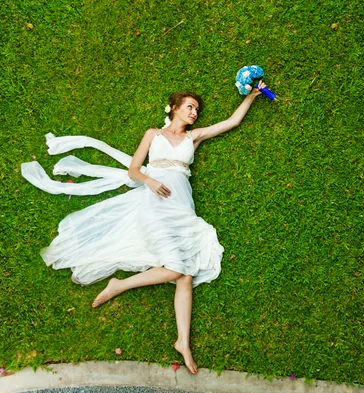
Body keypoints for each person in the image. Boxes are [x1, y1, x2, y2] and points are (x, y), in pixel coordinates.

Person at [21, 81, 267, 375]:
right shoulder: (153, 134)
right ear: (174, 108)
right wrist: (150, 180)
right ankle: (119, 285)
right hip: (154, 206)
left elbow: (231, 122)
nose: (194, 113)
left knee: (185, 275)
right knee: (176, 269)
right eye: (189, 107)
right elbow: (134, 170)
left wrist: (252, 96)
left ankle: (183, 342)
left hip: (182, 209)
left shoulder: (194, 138)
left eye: (197, 110)